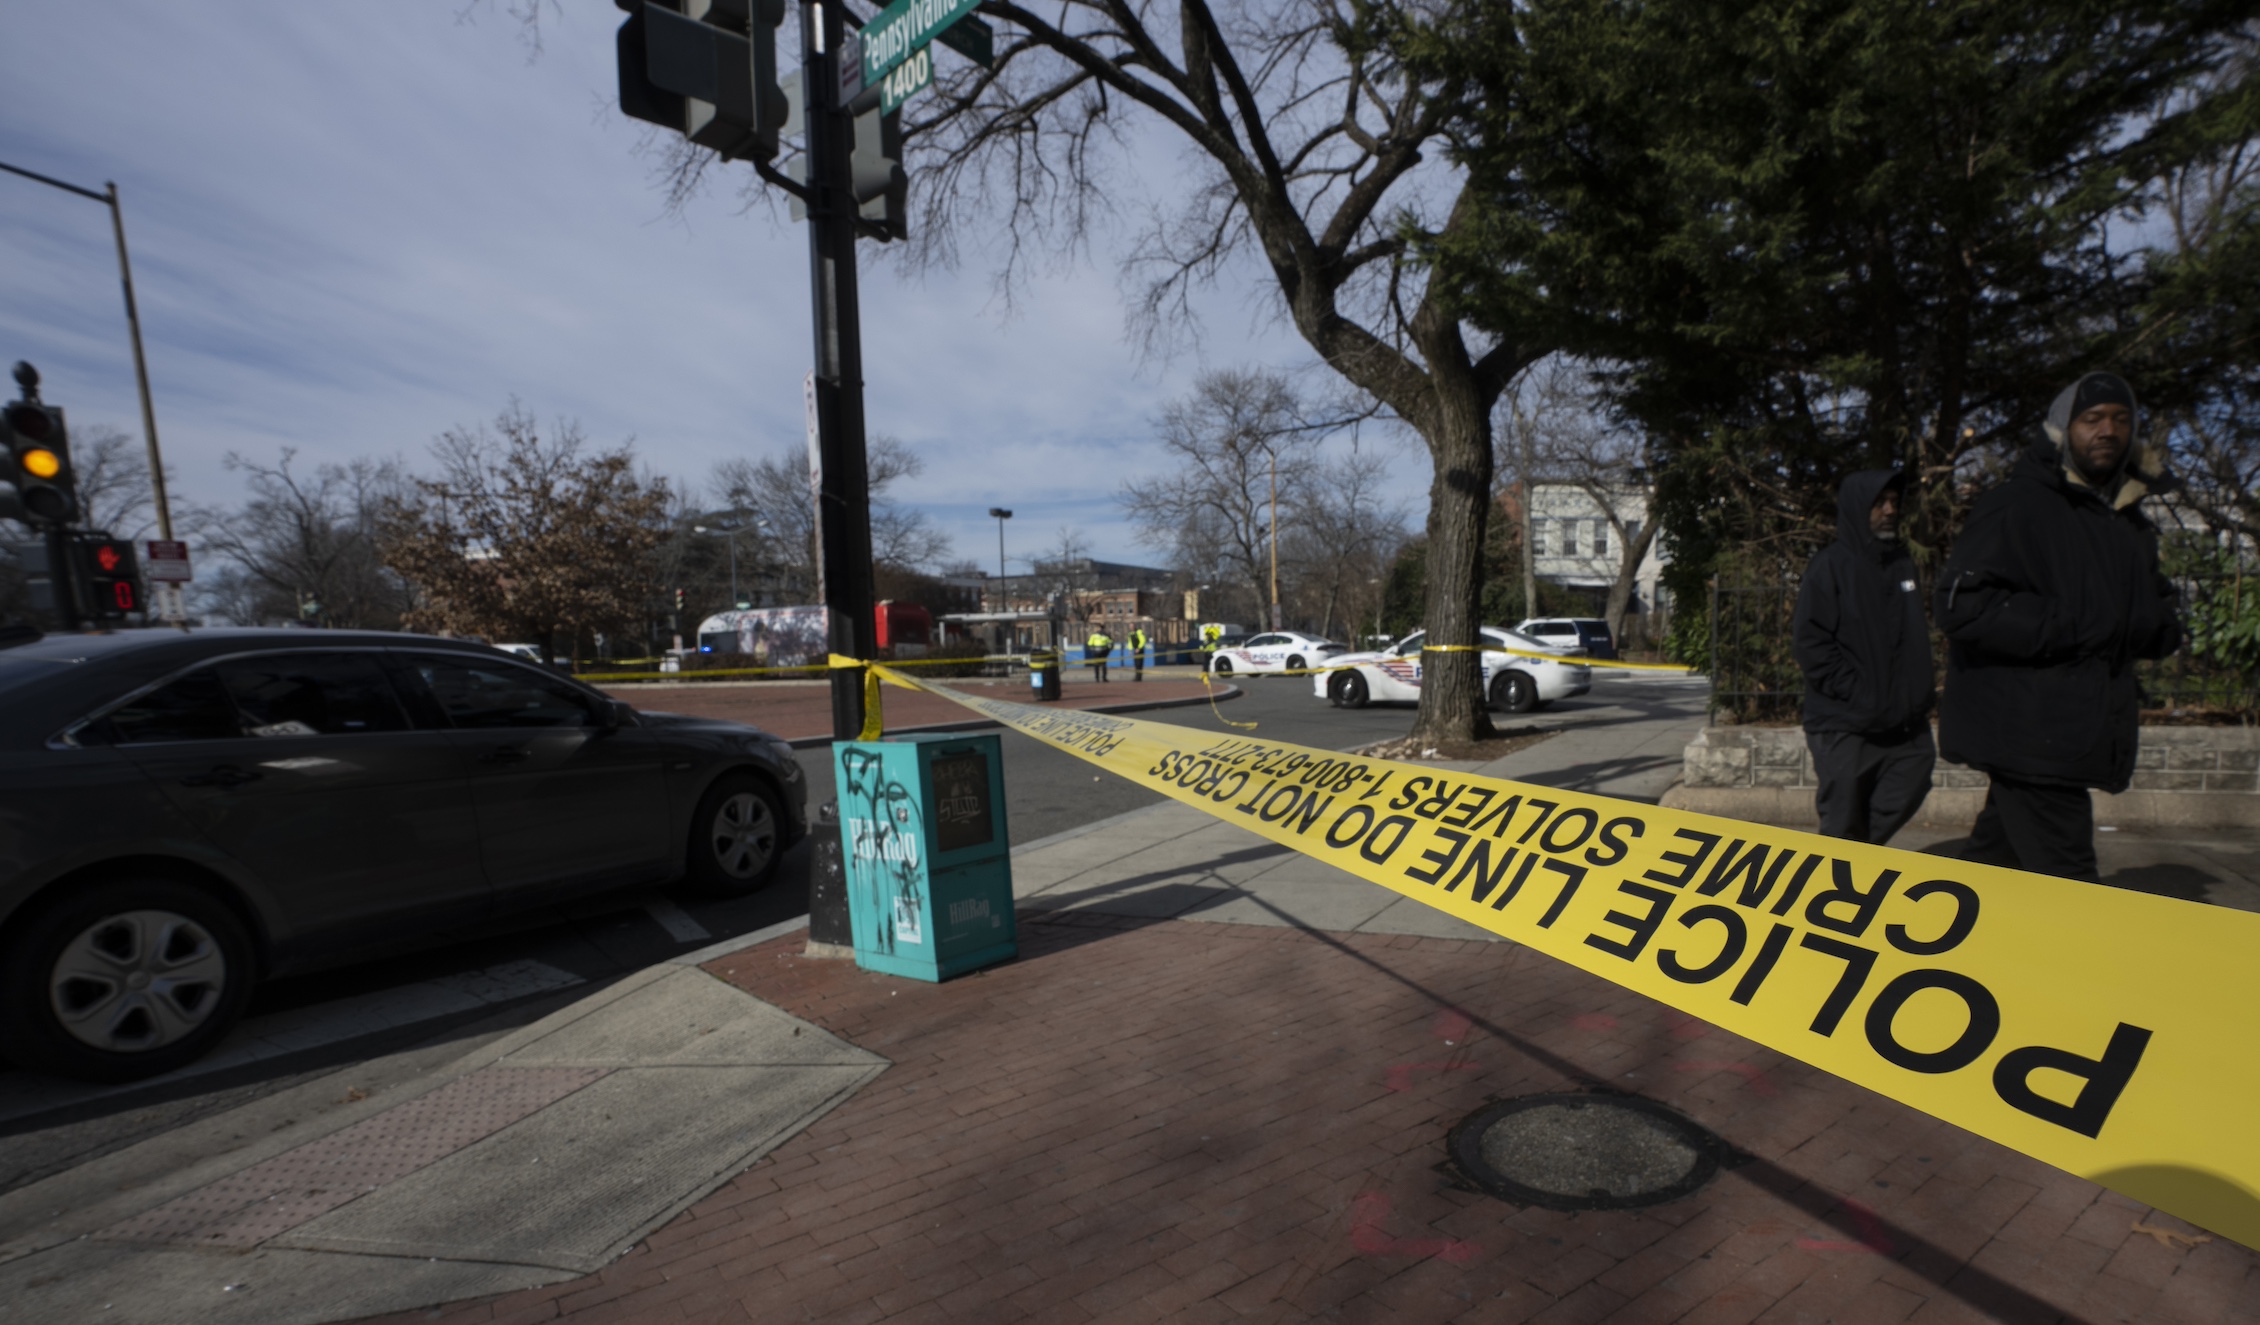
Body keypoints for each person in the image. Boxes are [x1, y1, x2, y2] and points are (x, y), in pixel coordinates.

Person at [1935, 372, 2182, 883]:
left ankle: (1957, 945)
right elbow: (1963, 606)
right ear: (2061, 430)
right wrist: (2084, 624)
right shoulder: (2018, 506)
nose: (2107, 430)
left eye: (2120, 419)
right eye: (2091, 420)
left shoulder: (2127, 522)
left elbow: (2151, 607)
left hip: (2073, 731)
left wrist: (2158, 628)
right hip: (2029, 729)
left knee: (1993, 868)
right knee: (2071, 885)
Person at [1792, 470, 1937, 843]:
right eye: (1879, 503)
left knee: (1911, 782)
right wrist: (1861, 693)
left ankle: (1859, 859)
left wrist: (1917, 694)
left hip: (1904, 724)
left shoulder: (1902, 564)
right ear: (1859, 508)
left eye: (1894, 502)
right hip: (1846, 724)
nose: (1889, 510)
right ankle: (1835, 886)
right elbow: (1811, 644)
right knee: (1843, 822)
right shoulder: (1830, 566)